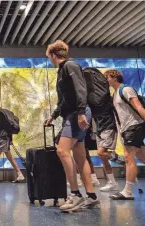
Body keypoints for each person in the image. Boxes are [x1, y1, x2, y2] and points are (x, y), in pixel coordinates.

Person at [44, 40, 99, 212]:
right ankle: (91, 196)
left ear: (53, 55)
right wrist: (53, 116)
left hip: (77, 114)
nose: (50, 60)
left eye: (50, 57)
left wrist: (81, 112)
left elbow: (80, 89)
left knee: (62, 151)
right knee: (80, 156)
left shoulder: (70, 66)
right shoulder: (62, 71)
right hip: (73, 113)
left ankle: (75, 194)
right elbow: (64, 100)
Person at [104, 69, 145, 200]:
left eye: (107, 77)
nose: (106, 79)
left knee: (128, 157)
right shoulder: (115, 93)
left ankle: (127, 191)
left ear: (114, 78)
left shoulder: (126, 90)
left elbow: (138, 106)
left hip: (134, 125)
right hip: (127, 128)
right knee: (142, 156)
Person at [0, 98, 25, 184]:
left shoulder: (0, 113)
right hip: (5, 137)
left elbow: (7, 126)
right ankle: (20, 174)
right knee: (10, 157)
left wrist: (8, 138)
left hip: (2, 138)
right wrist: (10, 139)